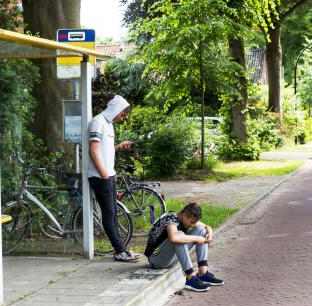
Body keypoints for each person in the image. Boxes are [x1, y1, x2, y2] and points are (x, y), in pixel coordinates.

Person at [88, 95, 141, 262]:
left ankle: (120, 250)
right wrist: (104, 173)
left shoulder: (109, 125)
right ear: (116, 110)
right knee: (109, 213)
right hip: (100, 176)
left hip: (109, 175)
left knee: (113, 213)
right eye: (122, 115)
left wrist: (118, 147)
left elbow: (105, 150)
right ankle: (120, 250)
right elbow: (93, 150)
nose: (122, 118)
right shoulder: (98, 121)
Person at [144, 202, 224, 291]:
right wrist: (196, 238)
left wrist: (210, 234)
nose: (192, 225)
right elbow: (174, 238)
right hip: (156, 260)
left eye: (194, 222)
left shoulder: (183, 217)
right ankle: (190, 278)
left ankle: (203, 273)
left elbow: (206, 226)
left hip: (169, 257)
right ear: (184, 215)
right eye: (192, 222)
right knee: (179, 235)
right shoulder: (171, 219)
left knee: (201, 231)